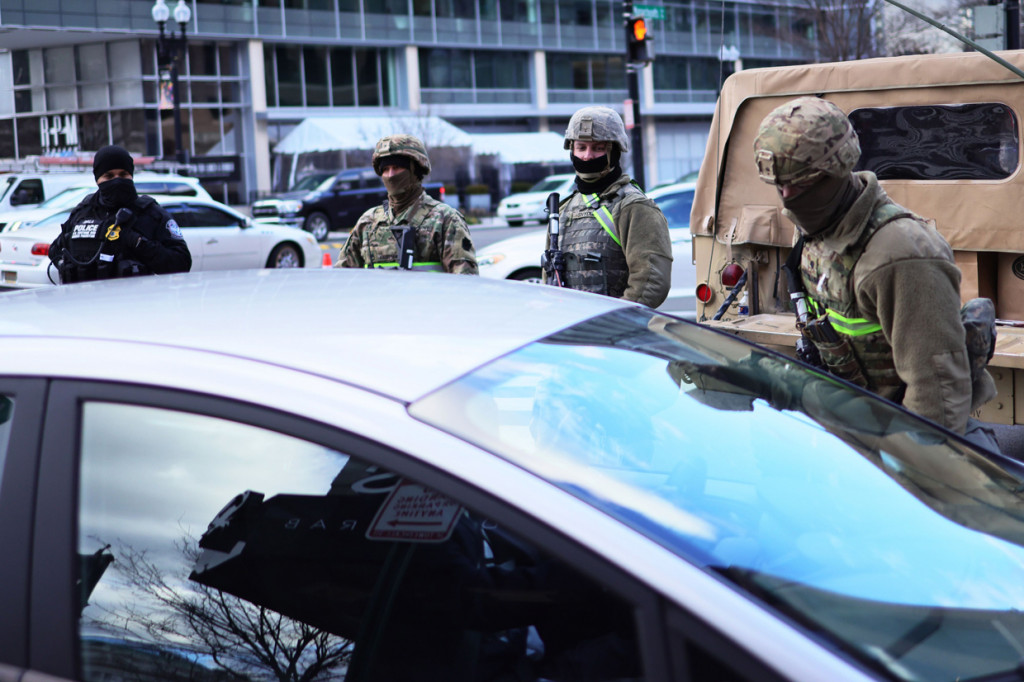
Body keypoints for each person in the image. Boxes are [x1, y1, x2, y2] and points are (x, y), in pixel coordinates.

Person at [752, 96, 998, 449]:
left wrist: (900, 471)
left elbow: (937, 396)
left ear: (840, 168)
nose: (788, 198)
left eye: (802, 185)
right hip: (855, 427)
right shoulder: (818, 230)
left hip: (907, 444)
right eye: (780, 186)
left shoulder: (901, 253)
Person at [550, 105, 672, 308]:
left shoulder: (634, 207)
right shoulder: (564, 209)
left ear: (614, 152)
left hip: (614, 332)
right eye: (581, 147)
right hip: (571, 330)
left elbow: (651, 283)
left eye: (598, 148)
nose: (587, 156)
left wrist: (610, 323)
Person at [49, 145, 191, 283]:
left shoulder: (150, 213)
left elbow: (181, 263)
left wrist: (137, 242)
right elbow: (54, 251)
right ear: (97, 179)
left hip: (134, 303)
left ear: (131, 175)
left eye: (123, 174)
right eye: (109, 176)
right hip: (86, 303)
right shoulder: (83, 212)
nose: (117, 180)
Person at [338, 134, 477, 274]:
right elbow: (342, 279)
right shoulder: (368, 223)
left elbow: (465, 285)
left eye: (397, 167)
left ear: (416, 170)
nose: (391, 175)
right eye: (385, 169)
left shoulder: (445, 220)